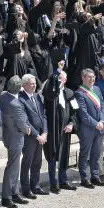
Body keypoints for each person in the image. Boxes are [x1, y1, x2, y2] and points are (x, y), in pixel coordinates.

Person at [41, 62, 78, 192]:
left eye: (61, 77)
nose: (59, 79)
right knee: (52, 155)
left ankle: (63, 180)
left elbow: (75, 111)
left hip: (65, 130)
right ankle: (53, 182)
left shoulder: (70, 93)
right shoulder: (51, 92)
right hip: (53, 129)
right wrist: (57, 72)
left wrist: (71, 123)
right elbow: (51, 83)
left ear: (66, 80)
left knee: (64, 155)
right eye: (58, 77)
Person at [0, 75, 31, 208]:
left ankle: (14, 192)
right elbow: (22, 124)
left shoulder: (4, 95)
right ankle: (6, 196)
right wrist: (27, 128)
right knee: (12, 167)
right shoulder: (15, 105)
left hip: (8, 135)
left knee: (15, 165)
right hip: (15, 137)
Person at [74, 68, 104, 188]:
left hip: (99, 127)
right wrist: (96, 124)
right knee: (85, 153)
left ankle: (95, 176)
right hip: (87, 129)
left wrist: (102, 121)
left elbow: (102, 106)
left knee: (96, 153)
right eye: (89, 77)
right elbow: (83, 114)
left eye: (93, 77)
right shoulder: (80, 93)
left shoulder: (97, 89)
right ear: (83, 78)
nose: (92, 79)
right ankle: (84, 178)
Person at [18, 74, 48, 199]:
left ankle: (35, 185)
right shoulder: (21, 99)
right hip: (30, 136)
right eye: (31, 83)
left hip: (41, 135)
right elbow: (25, 120)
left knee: (37, 162)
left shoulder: (37, 97)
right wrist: (37, 135)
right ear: (24, 85)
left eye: (35, 83)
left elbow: (43, 115)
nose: (34, 85)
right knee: (27, 162)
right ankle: (26, 189)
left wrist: (45, 132)